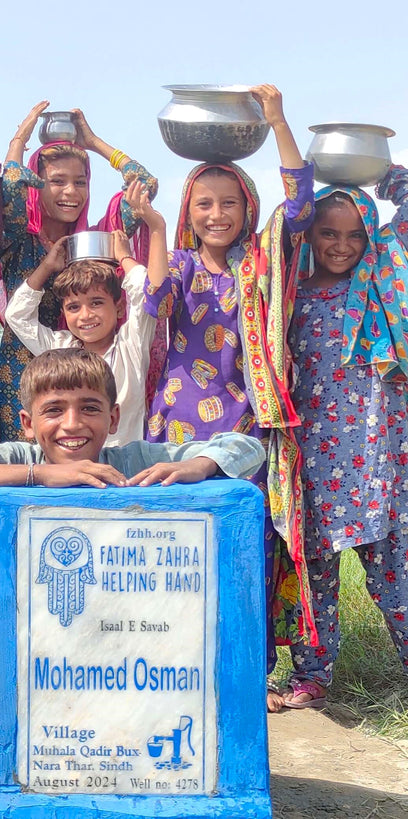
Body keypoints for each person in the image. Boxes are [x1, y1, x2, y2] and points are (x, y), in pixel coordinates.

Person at [0, 348, 266, 759]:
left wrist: (199, 465)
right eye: (54, 410)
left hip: (112, 652)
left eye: (90, 408)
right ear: (27, 424)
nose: (72, 424)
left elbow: (245, 446)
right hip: (30, 651)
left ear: (113, 418)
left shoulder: (131, 460)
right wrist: (40, 475)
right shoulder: (19, 460)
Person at [143, 85, 317, 711]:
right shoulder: (184, 267)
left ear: (247, 207)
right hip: (178, 427)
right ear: (190, 212)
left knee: (250, 546)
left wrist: (276, 118)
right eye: (203, 205)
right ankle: (172, 660)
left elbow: (300, 206)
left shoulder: (264, 259)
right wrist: (158, 231)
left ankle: (246, 667)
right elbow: (154, 303)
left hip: (250, 428)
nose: (216, 215)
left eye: (228, 204)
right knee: (178, 545)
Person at [282, 186, 408, 708]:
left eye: (357, 234)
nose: (342, 245)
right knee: (315, 577)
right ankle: (312, 676)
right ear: (309, 235)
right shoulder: (288, 298)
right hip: (313, 459)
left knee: (397, 574)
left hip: (379, 456)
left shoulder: (384, 287)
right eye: (328, 233)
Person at [0, 102, 160, 441]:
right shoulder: (17, 235)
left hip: (96, 365)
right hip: (21, 368)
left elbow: (144, 183)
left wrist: (94, 142)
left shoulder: (96, 242)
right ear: (36, 185)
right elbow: (8, 189)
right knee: (29, 477)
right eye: (56, 181)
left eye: (79, 182)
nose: (71, 193)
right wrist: (19, 142)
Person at [4, 182, 167, 445]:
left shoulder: (131, 345)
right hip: (70, 465)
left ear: (119, 308)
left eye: (96, 303)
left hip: (125, 470)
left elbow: (143, 291)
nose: (85, 315)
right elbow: (17, 315)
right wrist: (47, 267)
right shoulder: (61, 348)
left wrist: (124, 257)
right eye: (73, 307)